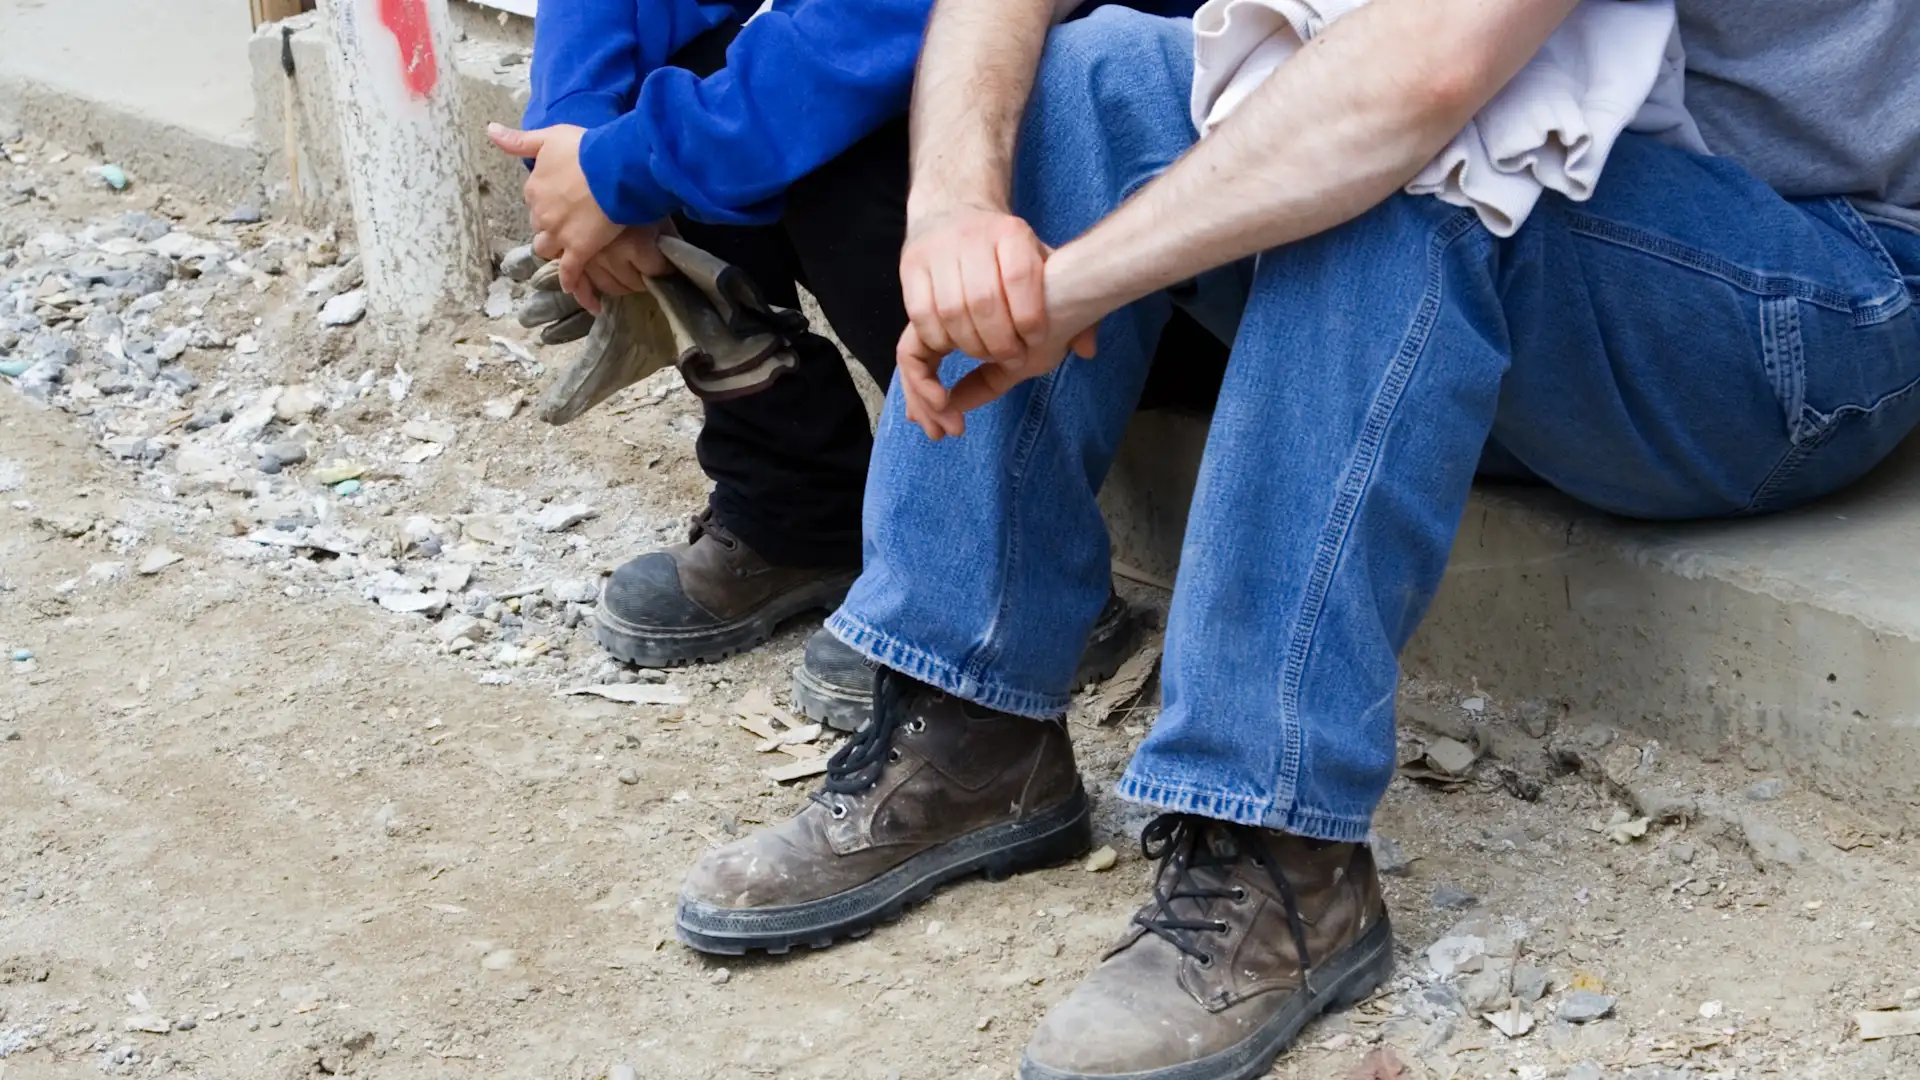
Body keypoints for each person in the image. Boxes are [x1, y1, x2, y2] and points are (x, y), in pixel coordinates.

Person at [673, 0, 1920, 1077]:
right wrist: (952, 212)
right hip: (1556, 220)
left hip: (1810, 297)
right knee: (1092, 76)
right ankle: (967, 723)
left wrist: (1071, 287)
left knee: (1410, 160)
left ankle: (1275, 849)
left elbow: (1425, 74)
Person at [488, 0, 1220, 730]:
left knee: (827, 116)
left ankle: (1005, 564)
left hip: (1177, 260)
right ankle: (799, 506)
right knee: (697, 82)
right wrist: (572, 147)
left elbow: (876, 29)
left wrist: (622, 167)